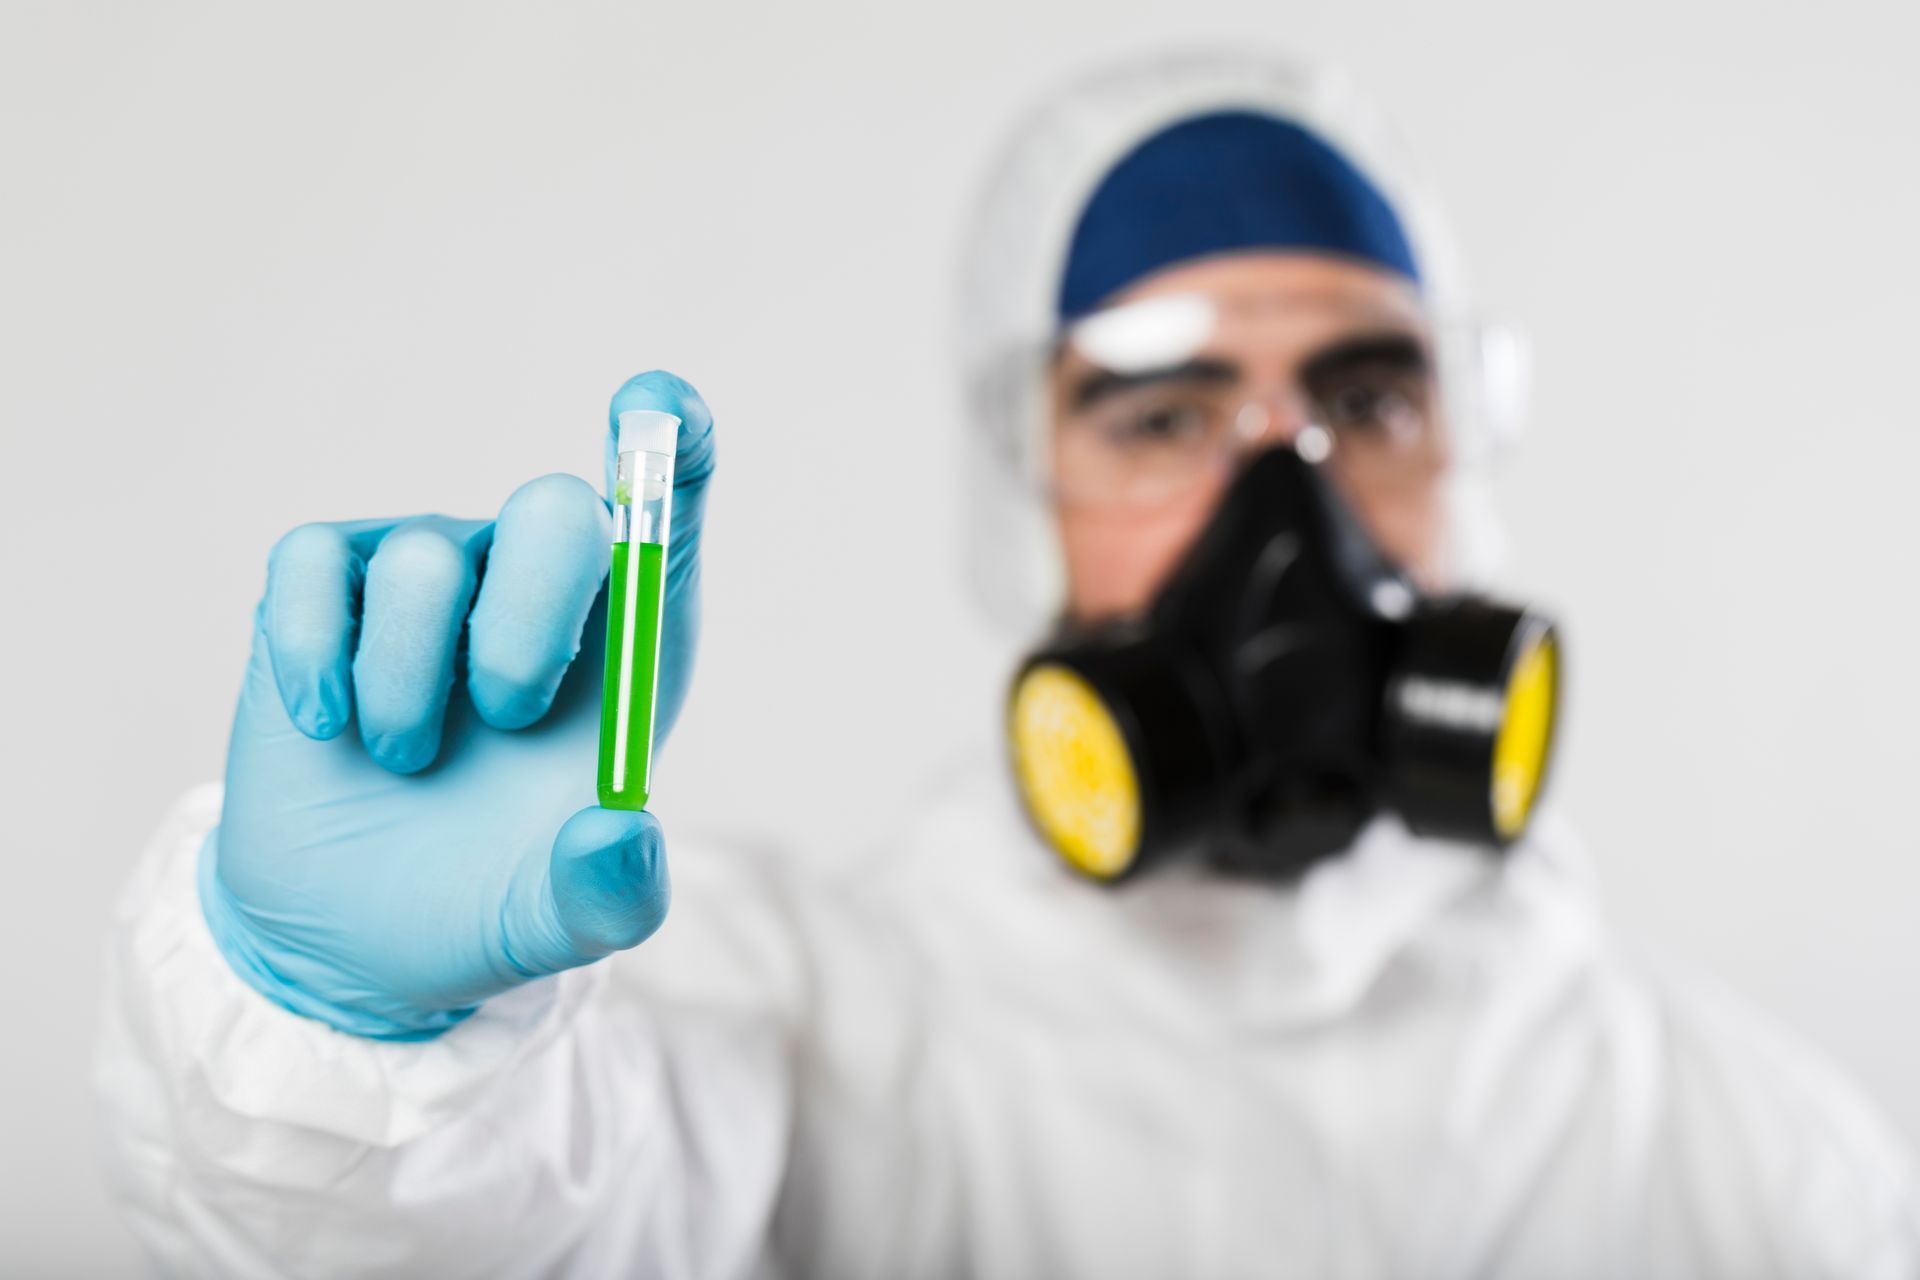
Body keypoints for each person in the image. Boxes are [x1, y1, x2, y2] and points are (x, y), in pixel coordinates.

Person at [95, 52, 1918, 1278]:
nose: (1287, 508)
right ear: (1022, 487)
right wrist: (361, 1046)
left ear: (1469, 448)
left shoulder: (1747, 1158)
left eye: (1367, 398)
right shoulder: (824, 1032)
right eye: (1162, 408)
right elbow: (533, 1219)